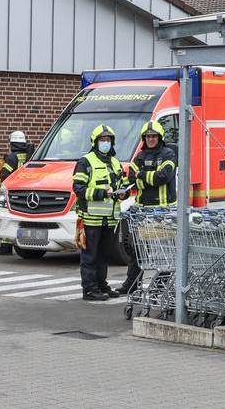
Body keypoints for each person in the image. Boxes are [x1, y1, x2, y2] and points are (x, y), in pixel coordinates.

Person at [118, 121, 177, 295]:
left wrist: (142, 175)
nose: (151, 139)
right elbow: (131, 179)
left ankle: (160, 285)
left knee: (164, 252)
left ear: (160, 137)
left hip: (163, 213)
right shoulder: (140, 157)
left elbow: (163, 177)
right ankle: (132, 283)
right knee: (139, 251)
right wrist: (137, 180)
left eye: (154, 136)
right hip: (143, 213)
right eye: (148, 136)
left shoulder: (169, 154)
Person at [72, 125, 129, 301]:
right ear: (95, 142)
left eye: (108, 140)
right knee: (90, 256)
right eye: (102, 140)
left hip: (110, 219)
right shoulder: (85, 161)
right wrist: (101, 193)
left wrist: (124, 192)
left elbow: (123, 184)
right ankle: (89, 289)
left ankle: (101, 284)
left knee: (104, 255)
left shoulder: (114, 162)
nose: (105, 143)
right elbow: (78, 188)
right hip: (91, 218)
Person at [0, 131, 34, 255]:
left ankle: (6, 247)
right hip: (28, 190)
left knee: (7, 217)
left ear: (12, 143)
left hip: (14, 192)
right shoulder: (29, 155)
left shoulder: (12, 157)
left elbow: (5, 174)